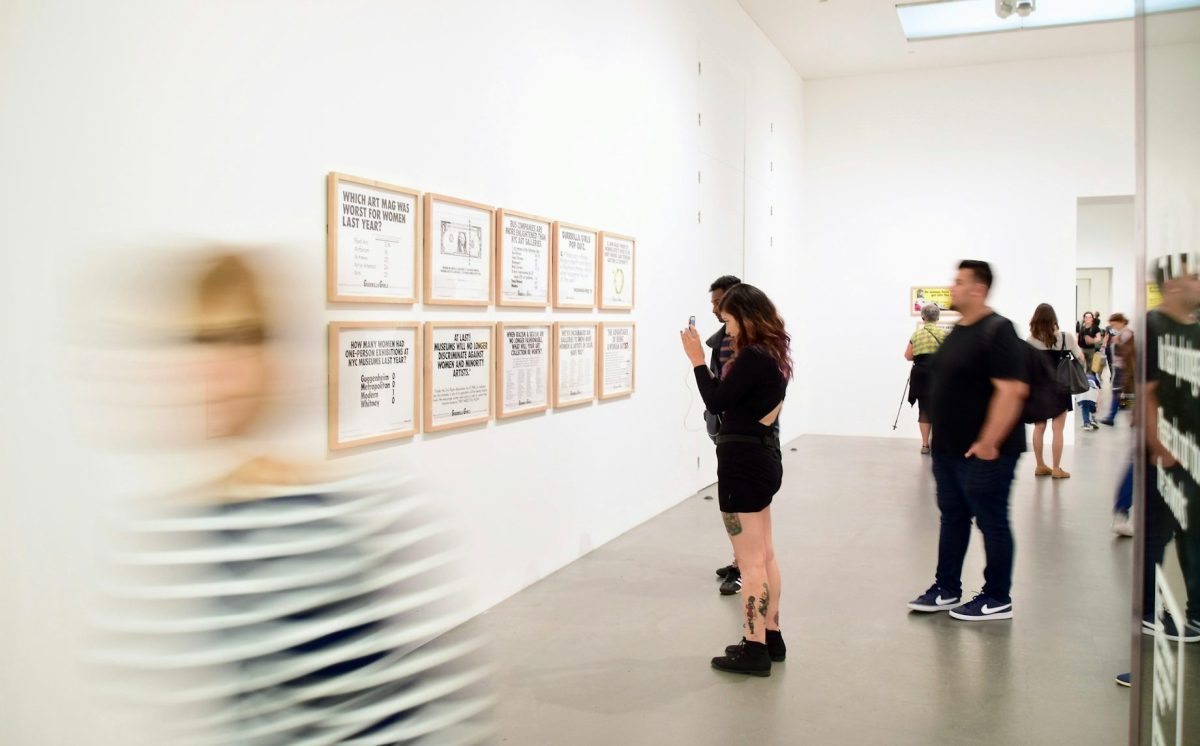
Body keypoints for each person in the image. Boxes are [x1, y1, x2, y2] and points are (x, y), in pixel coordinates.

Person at [89, 251, 494, 743]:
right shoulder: (167, 530)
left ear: (273, 357)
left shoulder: (369, 507)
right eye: (201, 341)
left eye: (241, 338)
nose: (214, 369)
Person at [907, 260, 1029, 622]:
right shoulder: (959, 329)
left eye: (958, 282)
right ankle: (946, 588)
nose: (952, 288)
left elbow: (1012, 390)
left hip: (986, 452)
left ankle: (997, 597)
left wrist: (990, 442)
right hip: (949, 449)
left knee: (992, 521)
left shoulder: (999, 330)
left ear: (979, 289)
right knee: (953, 518)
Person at [681, 283, 791, 676]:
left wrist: (696, 360)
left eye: (728, 321)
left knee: (750, 562)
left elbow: (716, 400)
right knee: (765, 555)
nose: (726, 331)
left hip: (742, 463)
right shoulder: (775, 354)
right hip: (763, 457)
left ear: (746, 317)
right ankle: (771, 634)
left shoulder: (752, 359)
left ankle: (754, 646)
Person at [706, 274, 745, 596]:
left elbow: (722, 394)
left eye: (719, 303)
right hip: (729, 433)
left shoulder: (753, 347)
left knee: (741, 507)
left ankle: (745, 565)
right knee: (731, 504)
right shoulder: (722, 340)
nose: (714, 310)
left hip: (746, 439)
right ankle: (739, 560)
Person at [1025, 303, 1085, 479]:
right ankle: (1057, 468)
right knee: (1058, 429)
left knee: (1039, 427)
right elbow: (1080, 358)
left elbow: (1029, 367)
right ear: (1054, 319)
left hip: (1038, 389)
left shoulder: (1031, 340)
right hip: (1061, 388)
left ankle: (1040, 465)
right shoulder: (1066, 338)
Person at [905, 304, 948, 454]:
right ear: (938, 317)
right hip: (939, 374)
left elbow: (908, 356)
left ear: (923, 317)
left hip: (921, 375)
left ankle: (925, 445)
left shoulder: (916, 335)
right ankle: (939, 444)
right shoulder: (944, 335)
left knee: (924, 409)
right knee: (941, 408)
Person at [1098, 313, 1134, 426]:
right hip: (1120, 367)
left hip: (1124, 369)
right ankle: (1113, 417)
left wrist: (1117, 342)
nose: (1113, 327)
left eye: (1114, 324)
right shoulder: (1122, 333)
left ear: (1121, 322)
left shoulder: (1127, 334)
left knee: (1122, 393)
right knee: (1118, 392)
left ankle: (1114, 417)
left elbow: (1127, 352)